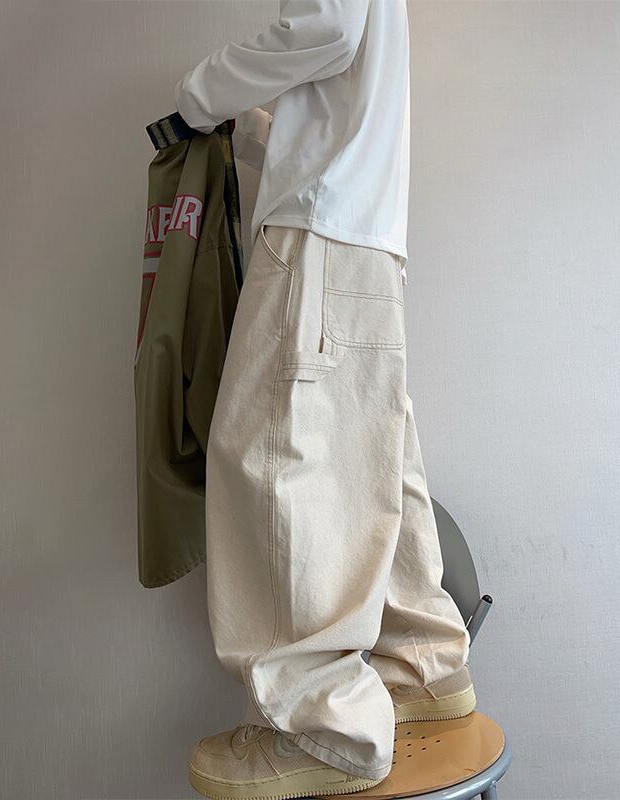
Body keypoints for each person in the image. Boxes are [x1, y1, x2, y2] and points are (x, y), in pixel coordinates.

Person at [174, 2, 475, 798]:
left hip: (317, 242)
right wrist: (251, 132)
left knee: (269, 458)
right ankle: (424, 665)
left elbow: (324, 31)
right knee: (375, 455)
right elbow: (339, 95)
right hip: (364, 245)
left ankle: (324, 728)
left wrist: (198, 94)